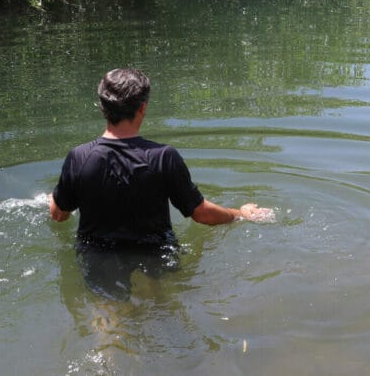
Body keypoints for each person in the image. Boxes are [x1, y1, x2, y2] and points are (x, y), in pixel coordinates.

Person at [50, 68, 272, 296]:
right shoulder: (163, 157)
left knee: (110, 322)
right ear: (143, 107)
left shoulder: (79, 158)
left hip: (100, 260)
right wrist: (242, 214)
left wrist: (55, 199)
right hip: (156, 256)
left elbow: (58, 215)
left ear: (102, 107)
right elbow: (201, 214)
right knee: (162, 308)